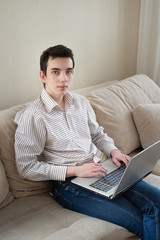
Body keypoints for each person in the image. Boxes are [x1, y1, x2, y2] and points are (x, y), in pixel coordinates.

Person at [14, 45, 160, 240]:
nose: (63, 78)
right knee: (139, 220)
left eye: (68, 71)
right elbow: (26, 167)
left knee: (157, 204)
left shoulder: (80, 103)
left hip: (102, 169)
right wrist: (75, 171)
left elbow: (97, 134)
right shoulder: (33, 116)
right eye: (55, 72)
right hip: (69, 185)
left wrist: (114, 151)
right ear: (43, 76)